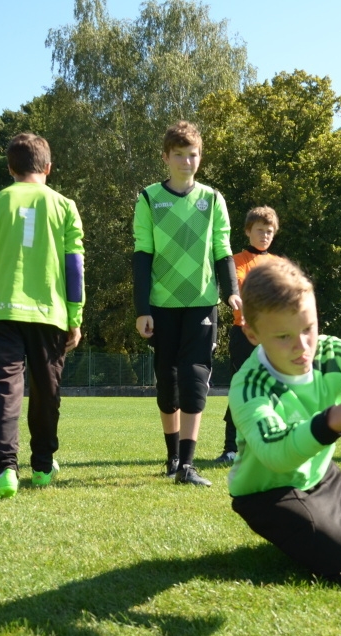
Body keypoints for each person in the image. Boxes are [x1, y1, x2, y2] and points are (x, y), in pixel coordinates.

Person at [228, 257, 341, 586]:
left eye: (309, 328)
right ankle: (305, 526)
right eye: (283, 336)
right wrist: (335, 419)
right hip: (270, 493)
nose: (303, 346)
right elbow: (276, 455)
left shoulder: (330, 351)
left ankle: (320, 521)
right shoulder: (250, 387)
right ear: (252, 334)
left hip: (319, 474)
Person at [0, 132, 85, 499]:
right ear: (48, 167)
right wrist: (75, 316)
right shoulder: (65, 205)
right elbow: (75, 268)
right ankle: (43, 467)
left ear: (10, 168)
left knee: (4, 391)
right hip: (50, 314)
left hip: (1, 311)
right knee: (46, 391)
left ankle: (6, 470)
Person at [133, 121, 241, 487]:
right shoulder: (149, 198)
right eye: (178, 154)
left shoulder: (212, 200)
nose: (186, 161)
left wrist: (231, 291)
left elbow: (223, 249)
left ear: (200, 156)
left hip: (201, 303)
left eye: (192, 154)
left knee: (196, 378)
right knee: (168, 381)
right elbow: (142, 256)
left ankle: (188, 465)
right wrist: (142, 309)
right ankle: (172, 456)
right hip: (161, 306)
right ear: (166, 157)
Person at [213, 206, 279, 464]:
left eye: (269, 231)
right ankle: (231, 448)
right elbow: (234, 291)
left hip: (272, 336)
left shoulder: (278, 264)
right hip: (244, 333)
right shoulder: (235, 261)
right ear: (248, 231)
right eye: (260, 230)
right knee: (241, 389)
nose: (265, 235)